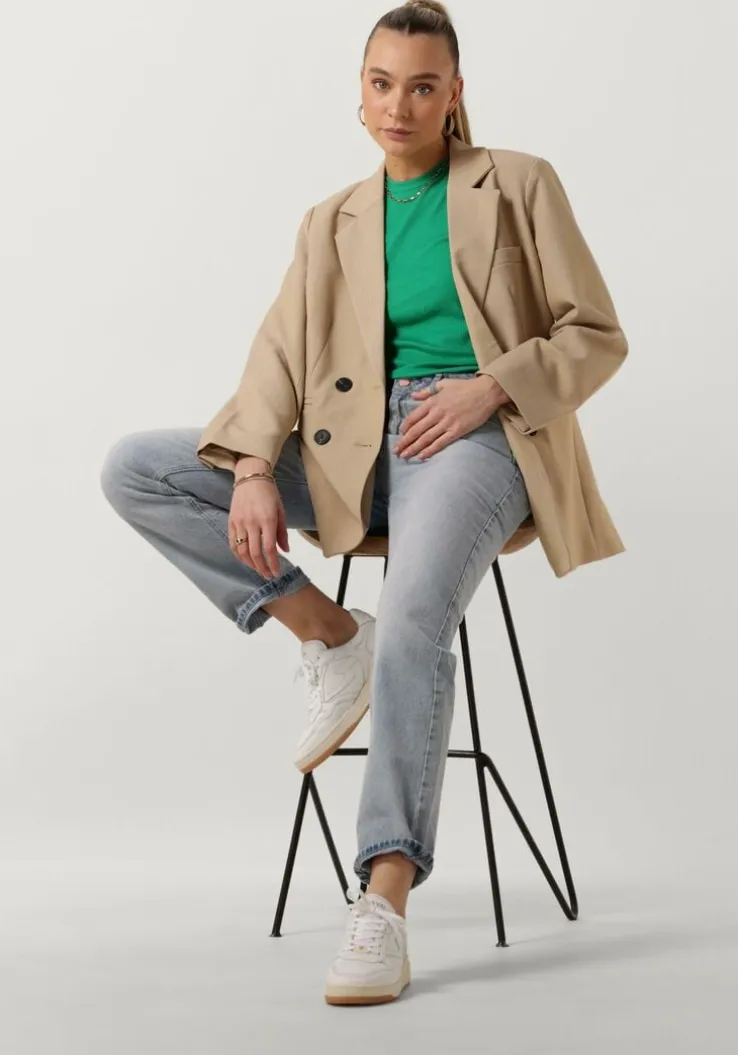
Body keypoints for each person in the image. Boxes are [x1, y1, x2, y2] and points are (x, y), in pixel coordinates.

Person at [100, 0, 628, 1007]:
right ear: (360, 91)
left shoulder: (518, 182)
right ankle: (331, 633)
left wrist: (490, 387)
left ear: (454, 94)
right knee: (139, 467)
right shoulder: (330, 219)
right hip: (349, 447)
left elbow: (595, 332)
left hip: (472, 436)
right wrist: (253, 465)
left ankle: (383, 895)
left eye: (423, 86)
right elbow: (277, 355)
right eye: (382, 84)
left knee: (418, 616)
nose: (400, 105)